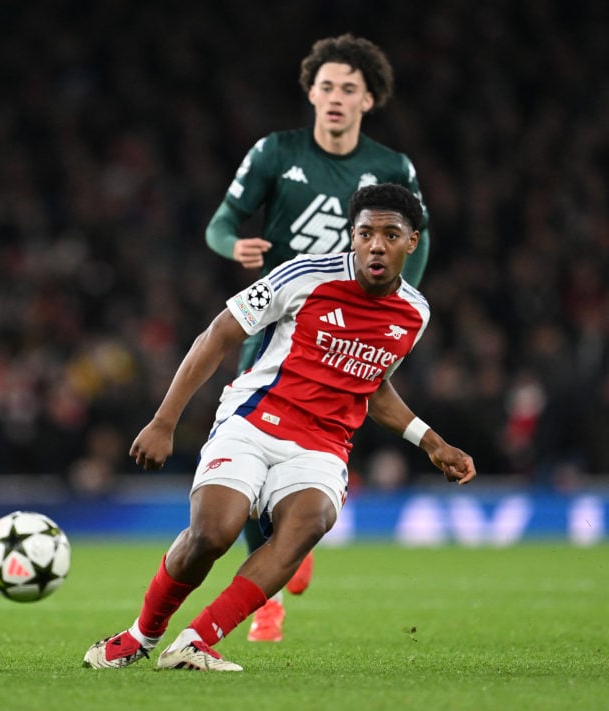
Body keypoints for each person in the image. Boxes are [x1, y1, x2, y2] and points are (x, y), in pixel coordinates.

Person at [84, 184, 475, 672]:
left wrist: (432, 442)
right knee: (213, 533)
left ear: (411, 242)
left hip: (324, 444)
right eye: (366, 233)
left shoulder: (414, 314)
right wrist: (165, 421)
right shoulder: (303, 275)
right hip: (255, 419)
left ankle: (195, 642)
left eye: (390, 234)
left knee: (307, 524)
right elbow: (219, 333)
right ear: (352, 237)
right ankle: (141, 635)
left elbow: (370, 385)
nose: (377, 244)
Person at [204, 34, 431, 642]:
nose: (335, 97)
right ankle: (269, 593)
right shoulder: (276, 153)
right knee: (246, 443)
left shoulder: (392, 168)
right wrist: (234, 245)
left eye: (348, 89)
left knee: (323, 430)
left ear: (369, 100)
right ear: (310, 92)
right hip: (280, 318)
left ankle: (297, 526)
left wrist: (395, 312)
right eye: (326, 86)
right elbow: (221, 222)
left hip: (352, 326)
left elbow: (422, 237)